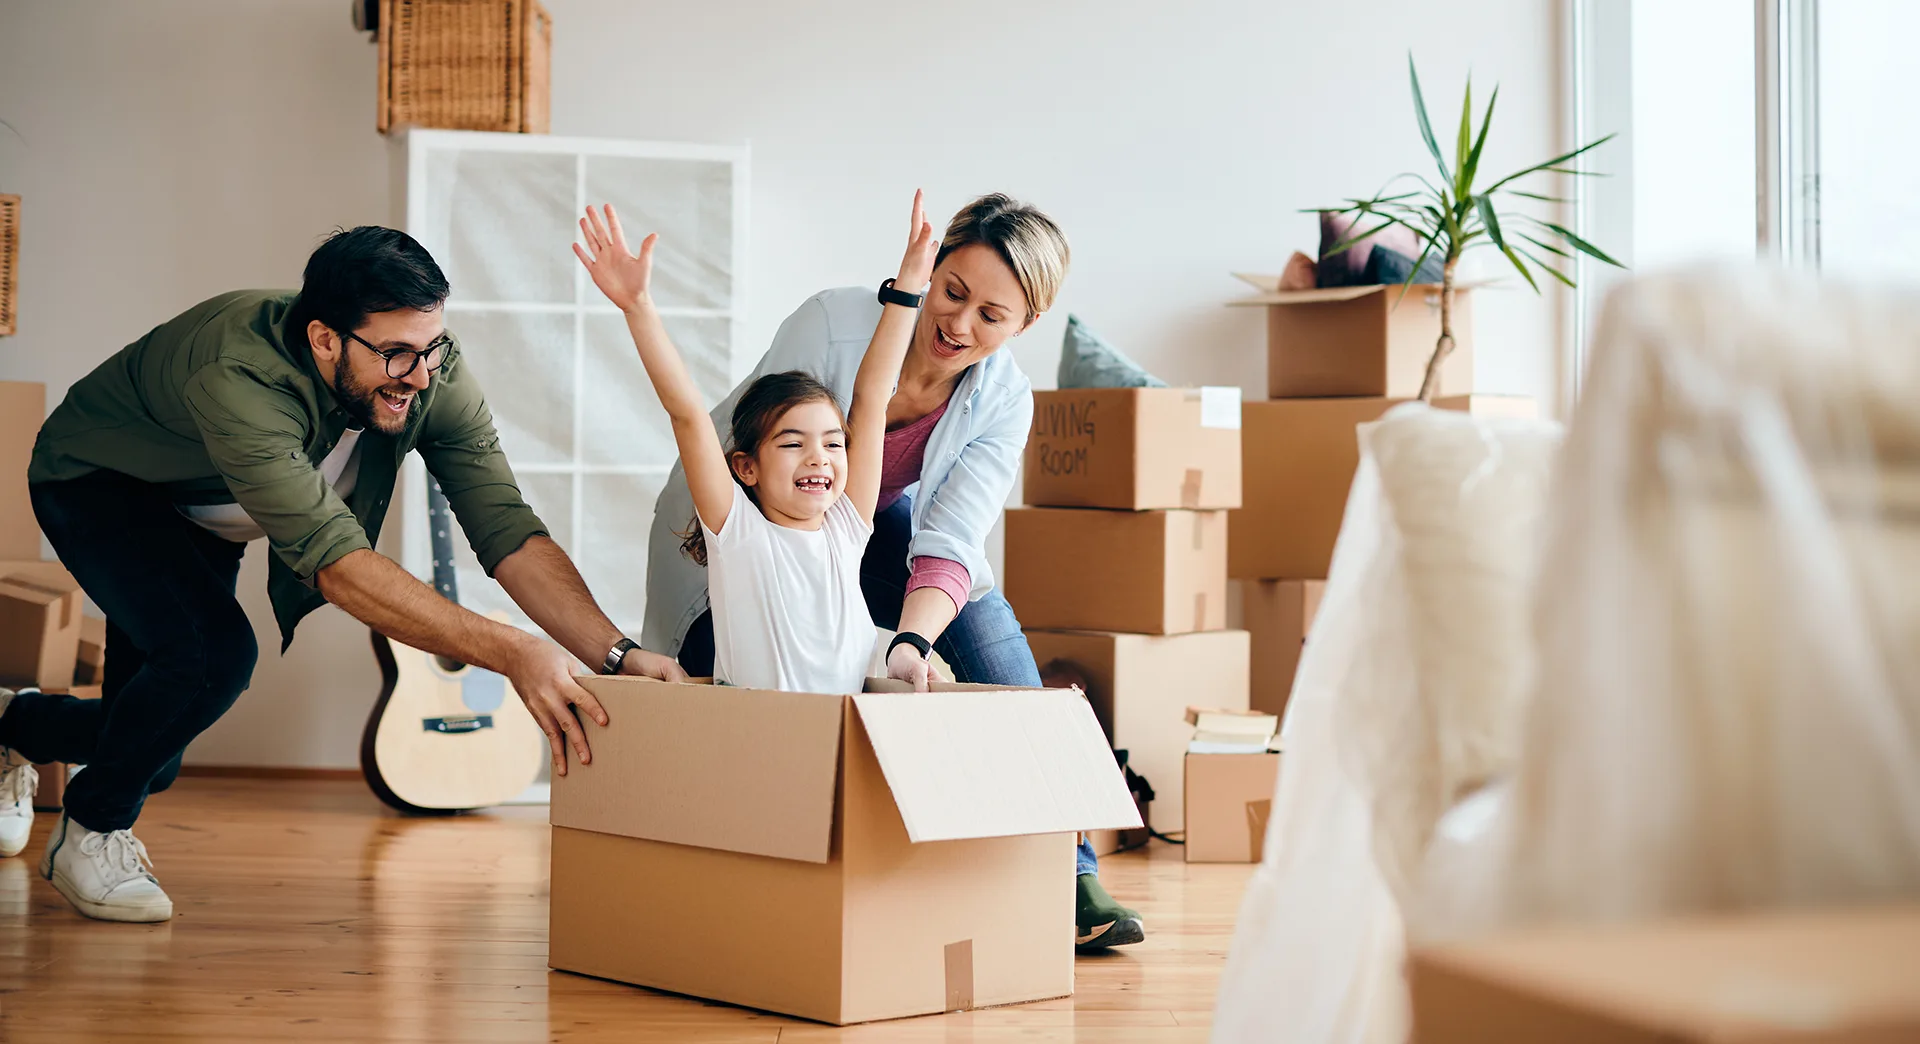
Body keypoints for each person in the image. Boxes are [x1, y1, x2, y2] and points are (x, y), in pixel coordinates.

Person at [0, 227, 686, 923]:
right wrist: (513, 653)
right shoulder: (241, 376)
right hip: (102, 483)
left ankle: (12, 723)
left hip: (207, 511)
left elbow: (504, 526)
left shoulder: (428, 374)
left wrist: (617, 653)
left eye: (432, 348)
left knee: (154, 743)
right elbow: (336, 565)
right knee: (212, 659)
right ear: (326, 339)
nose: (420, 376)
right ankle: (91, 830)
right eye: (395, 354)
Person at [642, 193, 1146, 951]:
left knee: (984, 625)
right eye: (952, 292)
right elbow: (746, 442)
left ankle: (1066, 871)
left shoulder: (1003, 399)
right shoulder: (832, 324)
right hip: (740, 520)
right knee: (736, 721)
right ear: (931, 269)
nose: (959, 325)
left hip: (857, 526)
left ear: (1026, 324)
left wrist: (908, 645)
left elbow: (949, 537)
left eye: (992, 315)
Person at [575, 194, 938, 693]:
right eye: (793, 444)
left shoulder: (846, 530)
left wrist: (910, 289)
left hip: (840, 741)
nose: (819, 458)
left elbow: (873, 396)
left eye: (833, 445)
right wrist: (638, 307)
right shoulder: (739, 533)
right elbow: (687, 415)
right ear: (746, 468)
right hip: (760, 743)